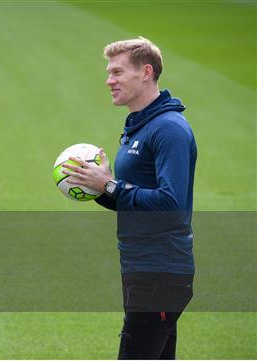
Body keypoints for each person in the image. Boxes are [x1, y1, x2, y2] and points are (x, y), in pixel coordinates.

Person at [62, 37, 196, 359]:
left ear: (146, 72)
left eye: (117, 72)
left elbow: (171, 205)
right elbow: (130, 198)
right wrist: (94, 187)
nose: (109, 80)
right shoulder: (139, 127)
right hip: (141, 268)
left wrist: (110, 186)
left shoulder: (168, 129)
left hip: (160, 272)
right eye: (109, 73)